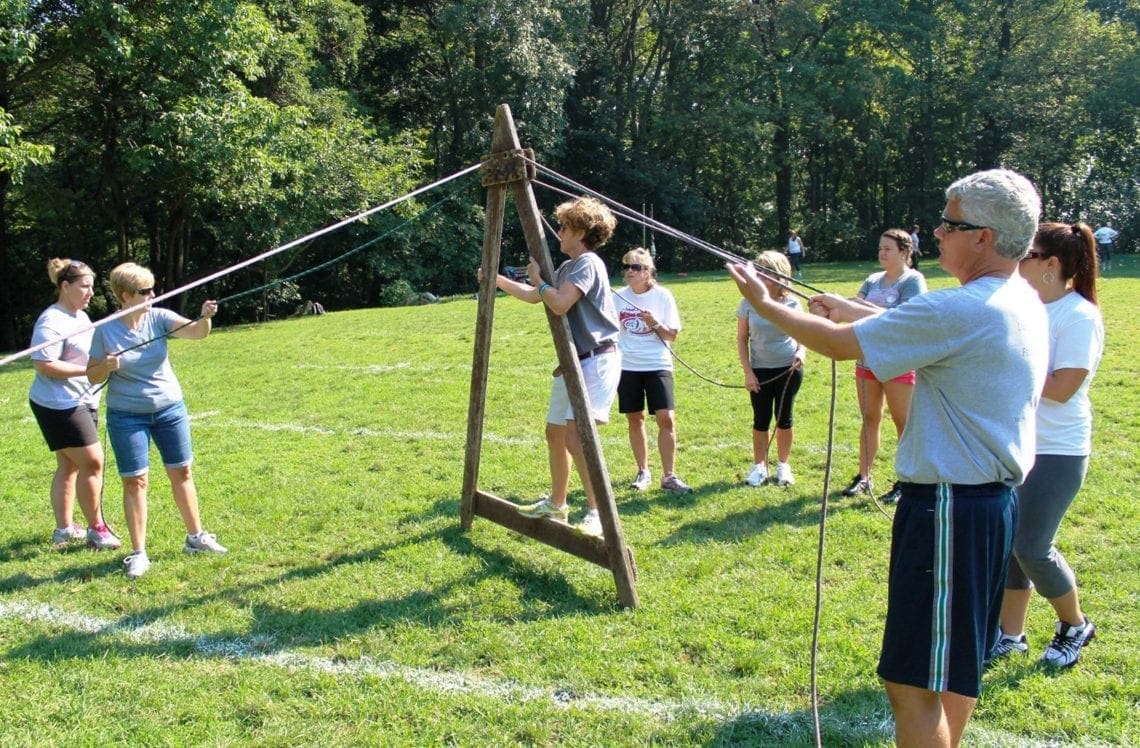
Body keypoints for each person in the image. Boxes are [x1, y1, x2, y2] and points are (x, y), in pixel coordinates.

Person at [728, 168, 1047, 748]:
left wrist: (765, 303)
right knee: (953, 665)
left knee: (912, 682)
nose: (937, 232)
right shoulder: (1012, 296)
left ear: (983, 237)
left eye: (949, 223)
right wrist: (850, 308)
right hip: (985, 505)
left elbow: (837, 348)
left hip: (949, 508)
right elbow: (917, 330)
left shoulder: (962, 309)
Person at [988, 222, 1104, 668]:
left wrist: (1003, 368)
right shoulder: (1028, 308)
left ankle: (1075, 624)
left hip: (1059, 450)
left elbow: (1063, 388)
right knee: (1011, 545)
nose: (1018, 261)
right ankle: (1011, 635)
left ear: (1050, 265)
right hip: (1020, 441)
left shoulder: (1079, 316)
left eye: (1028, 254)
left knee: (1032, 544)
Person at [481, 196, 621, 537]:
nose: (558, 233)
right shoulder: (567, 267)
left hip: (597, 358)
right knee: (555, 433)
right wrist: (496, 280)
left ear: (582, 232)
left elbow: (557, 304)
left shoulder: (588, 263)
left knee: (577, 436)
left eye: (564, 227)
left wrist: (538, 280)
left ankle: (598, 512)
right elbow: (536, 296)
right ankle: (558, 504)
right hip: (572, 361)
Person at [86, 263, 227, 579]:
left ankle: (196, 538)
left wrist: (205, 318)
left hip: (169, 409)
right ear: (125, 296)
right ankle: (139, 553)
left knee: (183, 471)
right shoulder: (105, 330)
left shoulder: (159, 317)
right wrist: (106, 365)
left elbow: (195, 333)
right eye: (145, 291)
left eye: (153, 289)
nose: (152, 295)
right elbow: (91, 374)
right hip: (126, 415)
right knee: (136, 481)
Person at [28, 259, 121, 550]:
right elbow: (43, 364)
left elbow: (87, 353)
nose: (91, 292)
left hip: (81, 399)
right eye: (84, 286)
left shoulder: (80, 316)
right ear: (65, 286)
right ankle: (97, 528)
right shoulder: (51, 321)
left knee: (69, 465)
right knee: (93, 462)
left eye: (92, 286)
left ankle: (64, 529)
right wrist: (91, 371)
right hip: (59, 404)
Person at [842, 229, 928, 504]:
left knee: (903, 422)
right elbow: (853, 313)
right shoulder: (872, 280)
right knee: (869, 417)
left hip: (899, 362)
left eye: (888, 249)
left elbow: (906, 319)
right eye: (880, 248)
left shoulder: (913, 280)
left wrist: (860, 308)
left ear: (905, 252)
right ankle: (864, 477)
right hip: (867, 360)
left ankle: (907, 480)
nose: (882, 253)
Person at [613, 247, 691, 494]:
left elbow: (672, 335)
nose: (629, 272)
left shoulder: (663, 296)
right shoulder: (618, 296)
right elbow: (611, 332)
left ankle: (669, 476)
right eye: (626, 267)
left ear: (648, 271)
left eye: (635, 267)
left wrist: (655, 323)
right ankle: (643, 471)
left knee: (666, 418)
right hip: (628, 365)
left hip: (657, 363)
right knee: (635, 418)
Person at [737, 250, 807, 488]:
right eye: (758, 272)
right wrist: (748, 372)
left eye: (766, 273)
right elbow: (741, 339)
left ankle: (783, 466)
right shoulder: (748, 302)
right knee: (761, 419)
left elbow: (803, 333)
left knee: (784, 419)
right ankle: (759, 466)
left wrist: (801, 352)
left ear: (780, 276)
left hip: (788, 369)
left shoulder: (792, 302)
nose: (760, 277)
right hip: (759, 370)